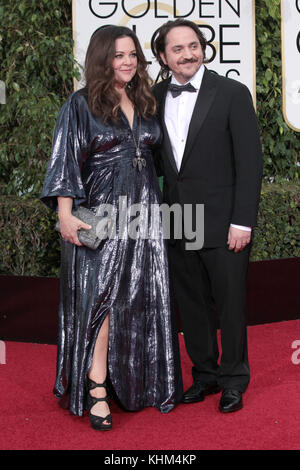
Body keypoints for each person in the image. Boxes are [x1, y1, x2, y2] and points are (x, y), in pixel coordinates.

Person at [41, 25, 182, 431]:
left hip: (145, 214)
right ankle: (97, 387)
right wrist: (65, 215)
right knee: (100, 302)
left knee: (142, 294)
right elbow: (65, 160)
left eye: (132, 55)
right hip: (100, 213)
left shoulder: (145, 100)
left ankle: (144, 382)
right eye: (118, 55)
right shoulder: (81, 104)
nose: (127, 62)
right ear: (103, 59)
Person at [153, 19, 263, 413]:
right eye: (178, 48)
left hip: (223, 220)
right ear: (163, 57)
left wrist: (242, 221)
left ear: (203, 48)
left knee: (230, 303)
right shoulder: (154, 96)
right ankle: (205, 375)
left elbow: (249, 164)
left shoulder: (232, 93)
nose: (188, 54)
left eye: (193, 45)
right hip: (179, 218)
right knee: (192, 302)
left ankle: (234, 379)